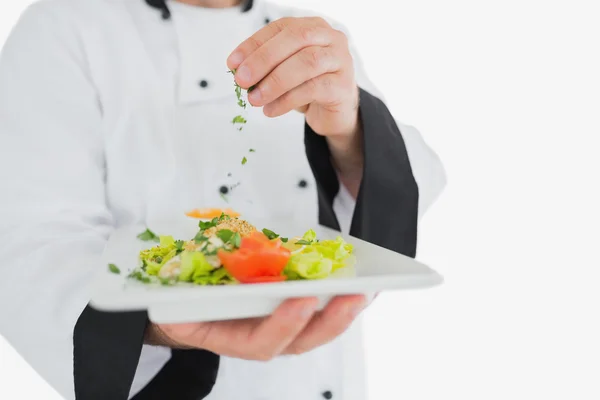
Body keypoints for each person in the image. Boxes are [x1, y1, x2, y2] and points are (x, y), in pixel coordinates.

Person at [0, 0, 446, 399]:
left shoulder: (314, 35)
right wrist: (160, 321)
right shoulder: (64, 26)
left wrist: (350, 128)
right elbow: (27, 242)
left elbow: (413, 188)